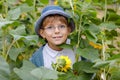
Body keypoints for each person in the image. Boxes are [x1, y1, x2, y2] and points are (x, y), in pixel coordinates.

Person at [30, 5, 76, 70]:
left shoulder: (77, 48)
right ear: (42, 33)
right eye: (50, 27)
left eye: (62, 26)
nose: (57, 31)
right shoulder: (38, 59)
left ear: (68, 30)